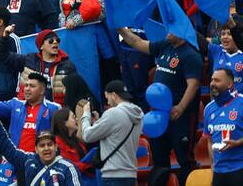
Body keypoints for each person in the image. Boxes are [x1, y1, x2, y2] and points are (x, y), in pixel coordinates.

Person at [118, 27, 201, 184]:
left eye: (173, 29)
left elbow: (194, 84)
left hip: (180, 116)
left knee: (185, 159)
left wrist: (181, 107)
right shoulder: (165, 45)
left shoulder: (190, 54)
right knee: (159, 160)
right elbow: (137, 42)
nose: (168, 31)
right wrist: (120, 29)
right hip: (158, 116)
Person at [0, 71, 61, 185]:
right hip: (12, 160)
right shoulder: (15, 104)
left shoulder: (54, 109)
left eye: (32, 86)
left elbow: (62, 137)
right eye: (26, 85)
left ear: (42, 90)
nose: (27, 89)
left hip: (37, 162)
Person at [0, 109, 82, 186]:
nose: (46, 148)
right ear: (36, 149)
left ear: (56, 147)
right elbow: (10, 151)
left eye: (50, 144)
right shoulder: (29, 160)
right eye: (42, 145)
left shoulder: (68, 168)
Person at [79, 80, 143, 186]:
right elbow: (116, 133)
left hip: (113, 176)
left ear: (113, 95)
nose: (107, 102)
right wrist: (99, 121)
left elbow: (87, 136)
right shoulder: (138, 114)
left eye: (107, 97)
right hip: (131, 175)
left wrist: (85, 115)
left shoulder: (113, 113)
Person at [204, 68, 243, 184]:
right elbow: (209, 140)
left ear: (229, 84)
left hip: (239, 168)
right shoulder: (208, 109)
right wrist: (212, 165)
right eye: (211, 80)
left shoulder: (241, 103)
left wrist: (238, 143)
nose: (212, 84)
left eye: (217, 80)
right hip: (218, 172)